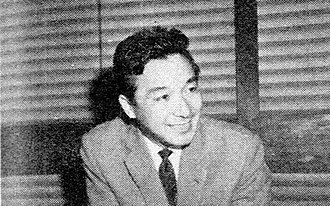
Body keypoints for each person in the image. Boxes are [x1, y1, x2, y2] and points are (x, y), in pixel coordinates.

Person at [81, 26, 271, 205]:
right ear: (129, 107)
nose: (185, 111)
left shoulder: (240, 149)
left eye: (190, 89)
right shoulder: (101, 149)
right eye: (163, 97)